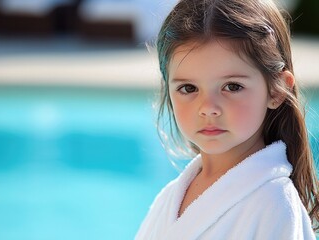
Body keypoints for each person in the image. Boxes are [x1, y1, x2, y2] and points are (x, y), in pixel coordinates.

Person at [135, 0, 319, 239]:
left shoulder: (274, 204)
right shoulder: (170, 198)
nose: (208, 108)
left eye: (232, 86)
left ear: (276, 91)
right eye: (188, 88)